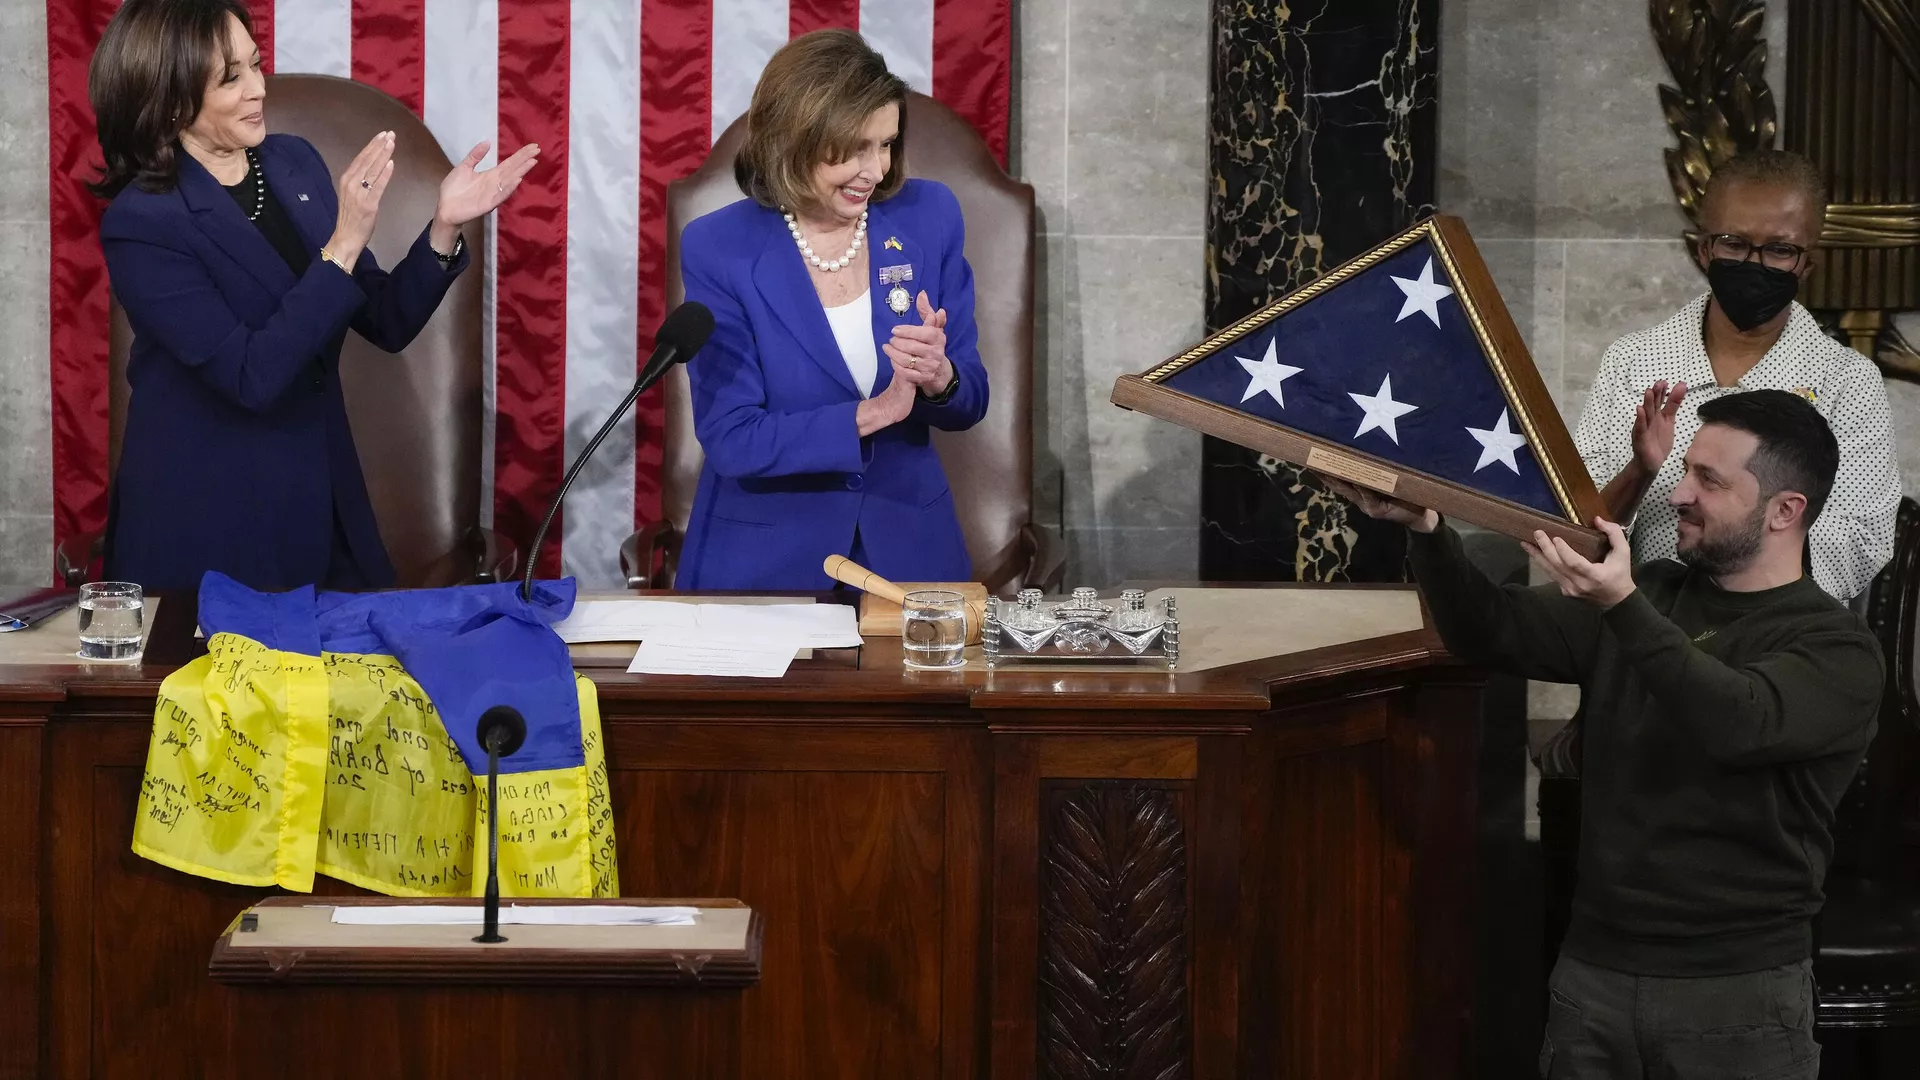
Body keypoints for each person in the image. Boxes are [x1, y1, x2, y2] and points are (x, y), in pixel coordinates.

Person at [1327, 389, 1882, 1080]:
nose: (1678, 494)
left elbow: (1736, 721)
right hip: (1593, 977)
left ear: (1784, 510)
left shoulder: (1836, 647)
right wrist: (1427, 530)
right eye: (1685, 470)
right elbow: (1486, 629)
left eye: (1709, 481)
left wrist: (1620, 605)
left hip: (1736, 996)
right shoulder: (1653, 593)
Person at [90, 0, 539, 591]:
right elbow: (253, 375)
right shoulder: (144, 223)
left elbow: (382, 318)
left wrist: (444, 228)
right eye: (232, 77)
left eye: (256, 64)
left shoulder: (291, 164)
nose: (258, 89)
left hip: (323, 504)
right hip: (207, 529)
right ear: (171, 99)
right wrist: (345, 240)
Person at [674, 29, 989, 591]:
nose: (876, 169)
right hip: (766, 564)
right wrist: (872, 413)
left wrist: (942, 378)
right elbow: (733, 436)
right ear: (793, 140)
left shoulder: (930, 216)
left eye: (887, 144)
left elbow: (970, 400)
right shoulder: (719, 247)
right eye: (854, 148)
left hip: (908, 557)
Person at [1574, 150, 1900, 605]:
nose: (1754, 262)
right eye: (1734, 243)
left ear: (1807, 262)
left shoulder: (1846, 381)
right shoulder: (1634, 361)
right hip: (1641, 631)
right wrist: (1641, 470)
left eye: (1780, 249)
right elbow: (1577, 529)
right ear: (1704, 249)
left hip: (1779, 643)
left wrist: (1729, 585)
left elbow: (1859, 542)